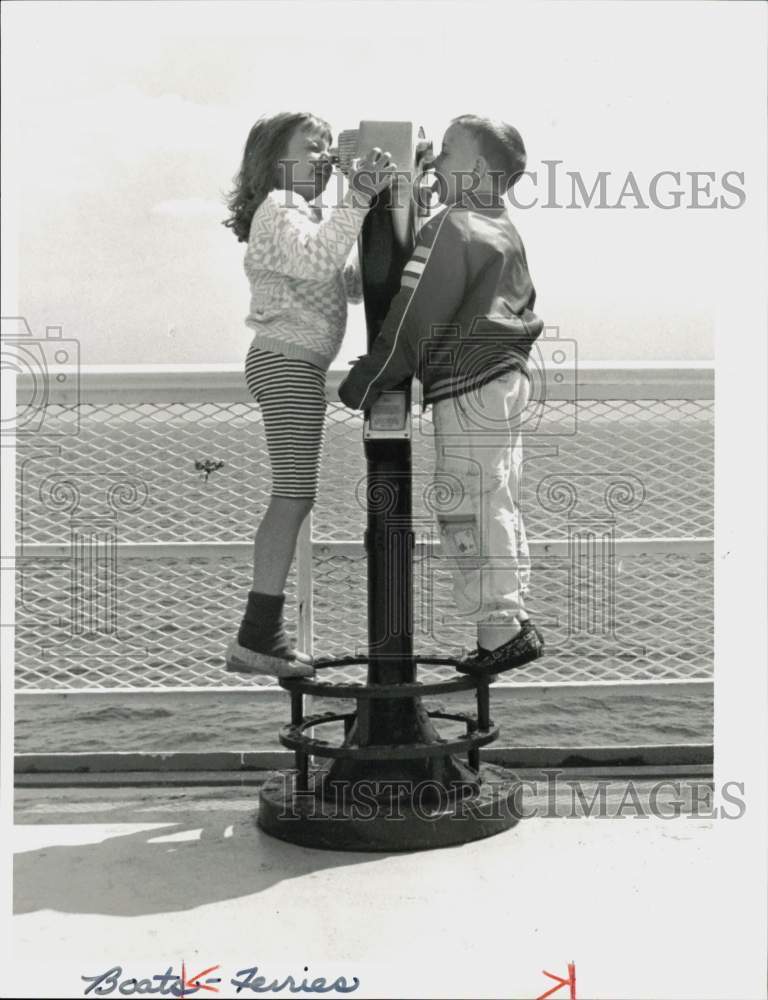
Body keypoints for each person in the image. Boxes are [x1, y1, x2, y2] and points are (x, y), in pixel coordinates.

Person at [338, 115, 545, 675]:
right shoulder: (496, 223)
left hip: (469, 384)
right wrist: (426, 183)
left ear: (476, 169)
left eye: (446, 154)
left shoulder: (453, 227)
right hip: (506, 377)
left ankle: (500, 627)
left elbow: (414, 315)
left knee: (466, 503)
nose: (433, 162)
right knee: (495, 496)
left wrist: (368, 377)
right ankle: (508, 618)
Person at [222, 111, 395, 677]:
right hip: (286, 360)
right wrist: (361, 194)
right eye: (311, 146)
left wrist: (370, 218)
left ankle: (260, 632)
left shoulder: (309, 213)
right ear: (276, 160)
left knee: (297, 494)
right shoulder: (280, 207)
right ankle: (256, 637)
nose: (323, 156)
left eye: (328, 148)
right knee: (293, 495)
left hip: (297, 362)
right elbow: (320, 257)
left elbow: (338, 283)